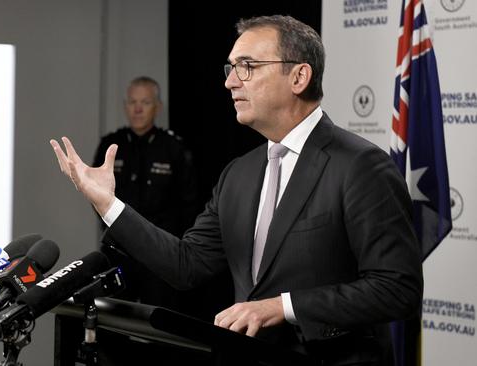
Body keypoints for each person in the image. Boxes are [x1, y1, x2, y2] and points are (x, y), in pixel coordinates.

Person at [50, 15, 423, 366]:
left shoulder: (360, 165)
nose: (230, 81)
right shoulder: (238, 175)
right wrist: (108, 204)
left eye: (247, 66)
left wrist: (282, 307)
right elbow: (186, 265)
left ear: (299, 77)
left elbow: (397, 288)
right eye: (231, 68)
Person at [93, 76, 214, 315]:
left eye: (145, 102)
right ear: (125, 106)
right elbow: (96, 195)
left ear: (158, 106)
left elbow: (189, 205)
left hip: (159, 256)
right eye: (132, 102)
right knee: (110, 323)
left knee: (161, 322)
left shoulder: (174, 148)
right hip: (118, 251)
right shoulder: (111, 145)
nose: (137, 109)